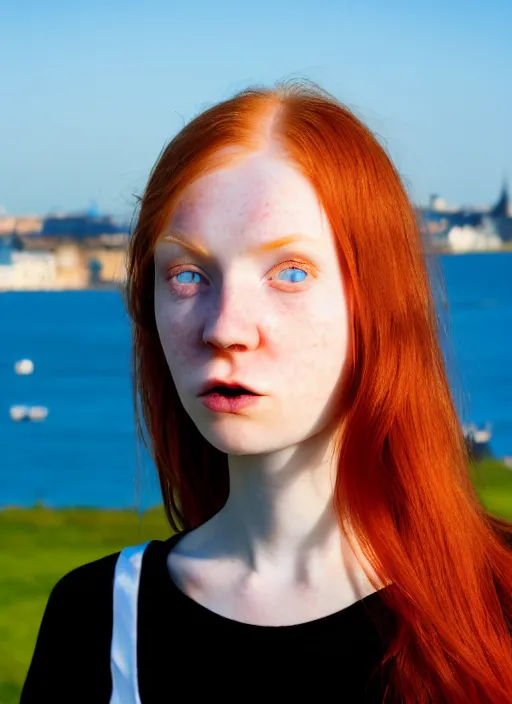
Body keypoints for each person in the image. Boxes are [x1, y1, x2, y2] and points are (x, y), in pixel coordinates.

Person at [21, 81, 512, 704]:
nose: (225, 327)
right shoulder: (97, 622)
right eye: (188, 274)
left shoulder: (500, 603)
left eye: (291, 273)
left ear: (379, 305)